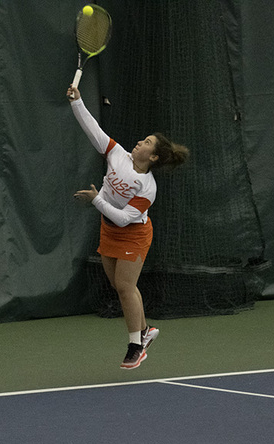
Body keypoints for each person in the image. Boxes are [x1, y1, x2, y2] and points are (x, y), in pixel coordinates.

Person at [67, 85, 189, 369]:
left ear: (154, 157)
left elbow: (124, 218)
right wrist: (77, 102)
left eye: (147, 142)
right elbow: (93, 129)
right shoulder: (116, 154)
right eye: (142, 139)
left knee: (124, 286)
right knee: (120, 286)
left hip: (133, 234)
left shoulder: (147, 189)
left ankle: (136, 345)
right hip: (108, 228)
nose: (139, 142)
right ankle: (145, 331)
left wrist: (96, 199)